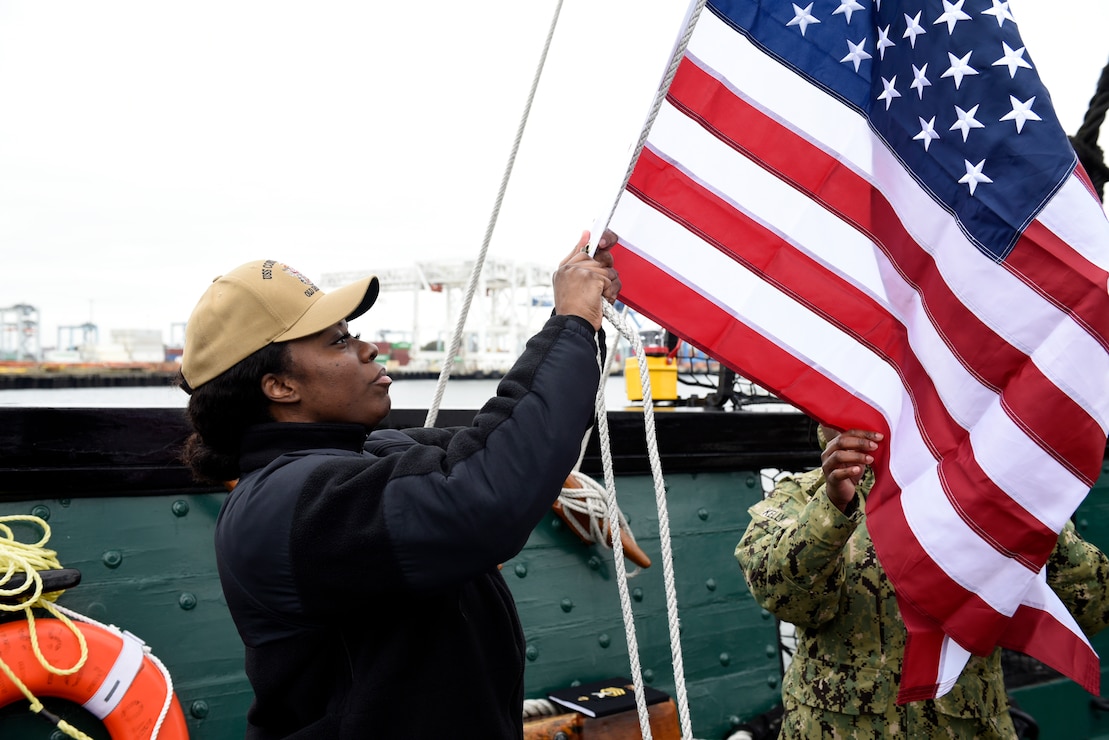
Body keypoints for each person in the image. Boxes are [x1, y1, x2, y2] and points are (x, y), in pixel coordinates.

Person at [178, 231, 620, 739]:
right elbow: (483, 489)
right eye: (340, 340)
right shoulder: (290, 504)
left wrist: (580, 322)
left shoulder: (355, 459)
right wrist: (570, 323)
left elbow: (494, 448)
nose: (369, 348)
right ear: (280, 386)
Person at [735, 426, 1109, 739]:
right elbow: (782, 595)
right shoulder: (800, 496)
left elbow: (1092, 605)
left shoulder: (983, 491)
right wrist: (833, 507)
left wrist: (1030, 513)